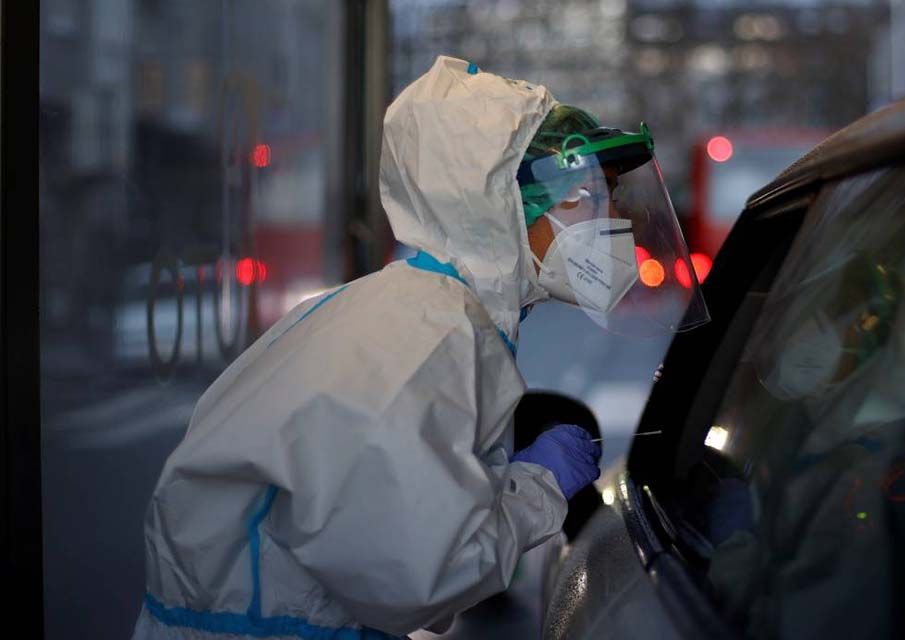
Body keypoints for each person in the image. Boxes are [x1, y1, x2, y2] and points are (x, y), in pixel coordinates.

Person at [132, 56, 707, 639]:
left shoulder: (423, 312)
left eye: (610, 198)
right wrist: (539, 486)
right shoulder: (426, 336)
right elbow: (412, 580)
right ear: (496, 202)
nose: (611, 224)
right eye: (582, 197)